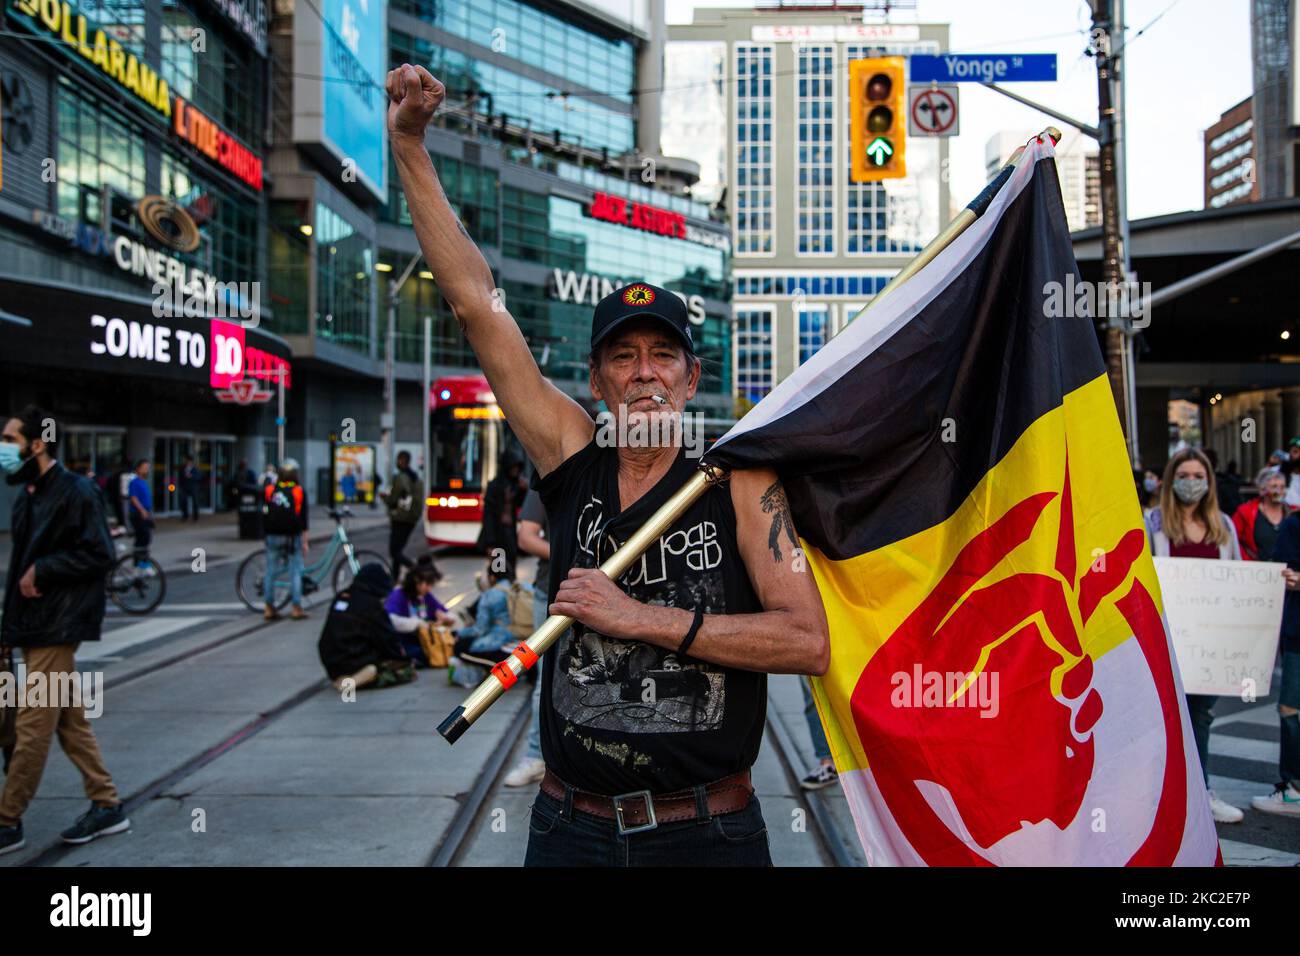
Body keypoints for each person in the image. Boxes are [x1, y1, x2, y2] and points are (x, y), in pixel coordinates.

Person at [388, 61, 829, 867]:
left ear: (692, 378)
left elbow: (807, 640)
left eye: (664, 355)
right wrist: (411, 145)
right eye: (622, 358)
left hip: (708, 833)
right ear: (596, 382)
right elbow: (478, 308)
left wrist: (637, 618)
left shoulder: (740, 480)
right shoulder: (571, 453)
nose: (644, 371)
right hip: (571, 830)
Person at [0, 406, 129, 855]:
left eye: (10, 441)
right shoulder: (27, 497)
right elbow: (18, 571)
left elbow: (101, 554)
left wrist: (46, 569)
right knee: (70, 723)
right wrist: (7, 631)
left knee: (32, 727)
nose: (3, 450)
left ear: (37, 444)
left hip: (58, 624)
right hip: (34, 628)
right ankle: (107, 803)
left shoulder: (77, 492)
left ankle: (7, 821)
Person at [1146, 447, 1244, 824]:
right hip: (1168, 638)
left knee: (1201, 717)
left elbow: (1236, 576)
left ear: (1209, 481)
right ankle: (1162, 799)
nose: (1191, 483)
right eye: (1184, 476)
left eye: (1198, 476)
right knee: (1163, 718)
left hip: (1208, 645)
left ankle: (1200, 793)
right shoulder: (1152, 522)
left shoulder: (1224, 526)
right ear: (1172, 481)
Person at [503, 489, 551, 788]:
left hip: (608, 594)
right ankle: (536, 757)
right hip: (550, 591)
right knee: (544, 681)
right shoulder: (547, 475)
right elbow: (526, 537)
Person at [1254, 511, 1300, 814]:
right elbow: (1283, 572)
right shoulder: (1294, 524)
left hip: (1297, 631)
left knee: (1290, 708)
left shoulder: (1294, 524)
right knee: (1290, 708)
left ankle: (1294, 788)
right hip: (1297, 631)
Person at [318, 563, 415, 691]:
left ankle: (344, 678)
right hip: (355, 661)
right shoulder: (372, 605)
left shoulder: (341, 596)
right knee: (405, 671)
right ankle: (358, 678)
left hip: (331, 663)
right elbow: (387, 639)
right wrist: (403, 660)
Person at [383, 556, 457, 664]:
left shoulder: (425, 596)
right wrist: (418, 623)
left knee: (456, 638)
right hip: (406, 641)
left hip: (426, 639)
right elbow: (391, 620)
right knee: (423, 653)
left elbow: (447, 613)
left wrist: (446, 618)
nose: (429, 588)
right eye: (427, 584)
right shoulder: (398, 595)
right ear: (417, 581)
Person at [262, 458, 309, 621]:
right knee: (295, 571)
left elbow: (265, 511)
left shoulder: (269, 490)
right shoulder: (298, 491)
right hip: (292, 536)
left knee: (270, 571)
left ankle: (268, 607)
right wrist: (305, 541)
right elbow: (303, 519)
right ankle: (296, 607)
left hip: (273, 535)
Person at [452, 561, 518, 663]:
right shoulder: (518, 588)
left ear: (492, 577)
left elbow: (480, 629)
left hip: (501, 639)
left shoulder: (490, 595)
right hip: (522, 634)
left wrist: (459, 633)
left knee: (459, 648)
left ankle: (497, 664)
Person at [478, 453, 526, 570]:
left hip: (510, 532)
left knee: (510, 566)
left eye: (517, 468)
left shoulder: (516, 484)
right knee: (498, 569)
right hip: (497, 533)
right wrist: (490, 543)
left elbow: (521, 504)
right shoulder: (494, 485)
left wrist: (523, 491)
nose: (516, 470)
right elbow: (488, 515)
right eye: (513, 467)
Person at [1233, 468, 1292, 561]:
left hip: (1288, 570)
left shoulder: (1293, 512)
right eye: (1274, 486)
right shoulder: (1245, 511)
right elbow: (1233, 540)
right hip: (1256, 569)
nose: (1279, 491)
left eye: (1282, 487)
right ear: (1263, 490)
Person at [381, 450, 422, 581]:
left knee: (394, 551)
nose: (398, 462)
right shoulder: (415, 477)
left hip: (400, 517)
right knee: (397, 550)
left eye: (399, 460)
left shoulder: (401, 478)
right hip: (411, 518)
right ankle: (394, 578)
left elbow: (393, 499)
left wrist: (384, 497)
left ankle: (416, 569)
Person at [126, 458, 154, 570]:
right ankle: (140, 561)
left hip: (145, 513)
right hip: (138, 514)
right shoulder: (134, 482)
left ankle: (142, 560)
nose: (147, 470)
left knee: (145, 537)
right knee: (143, 536)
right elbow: (133, 498)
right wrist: (142, 510)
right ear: (138, 468)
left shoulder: (143, 482)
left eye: (148, 468)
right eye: (145, 467)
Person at [179, 455, 199, 522]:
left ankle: (195, 517)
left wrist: (191, 476)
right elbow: (180, 478)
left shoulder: (195, 469)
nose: (189, 463)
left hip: (193, 487)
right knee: (183, 501)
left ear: (192, 462)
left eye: (190, 461)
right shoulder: (183, 468)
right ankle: (185, 516)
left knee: (195, 502)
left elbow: (199, 477)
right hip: (184, 487)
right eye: (187, 461)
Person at [1284, 438, 1300, 509]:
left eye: (1296, 451)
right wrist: (1270, 464)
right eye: (1292, 451)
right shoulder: (1280, 473)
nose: (1292, 454)